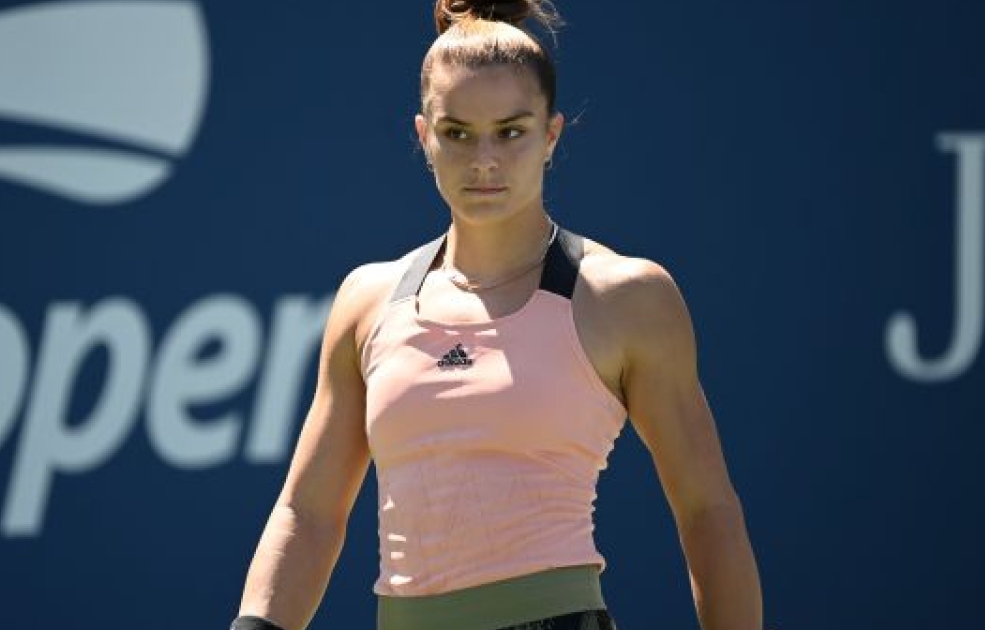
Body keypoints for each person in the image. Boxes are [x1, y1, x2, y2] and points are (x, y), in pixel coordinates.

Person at [231, 1, 764, 629]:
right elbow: (309, 514)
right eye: (457, 132)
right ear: (424, 137)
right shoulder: (367, 300)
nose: (484, 159)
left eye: (510, 131)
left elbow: (707, 510)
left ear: (551, 135)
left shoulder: (626, 296)